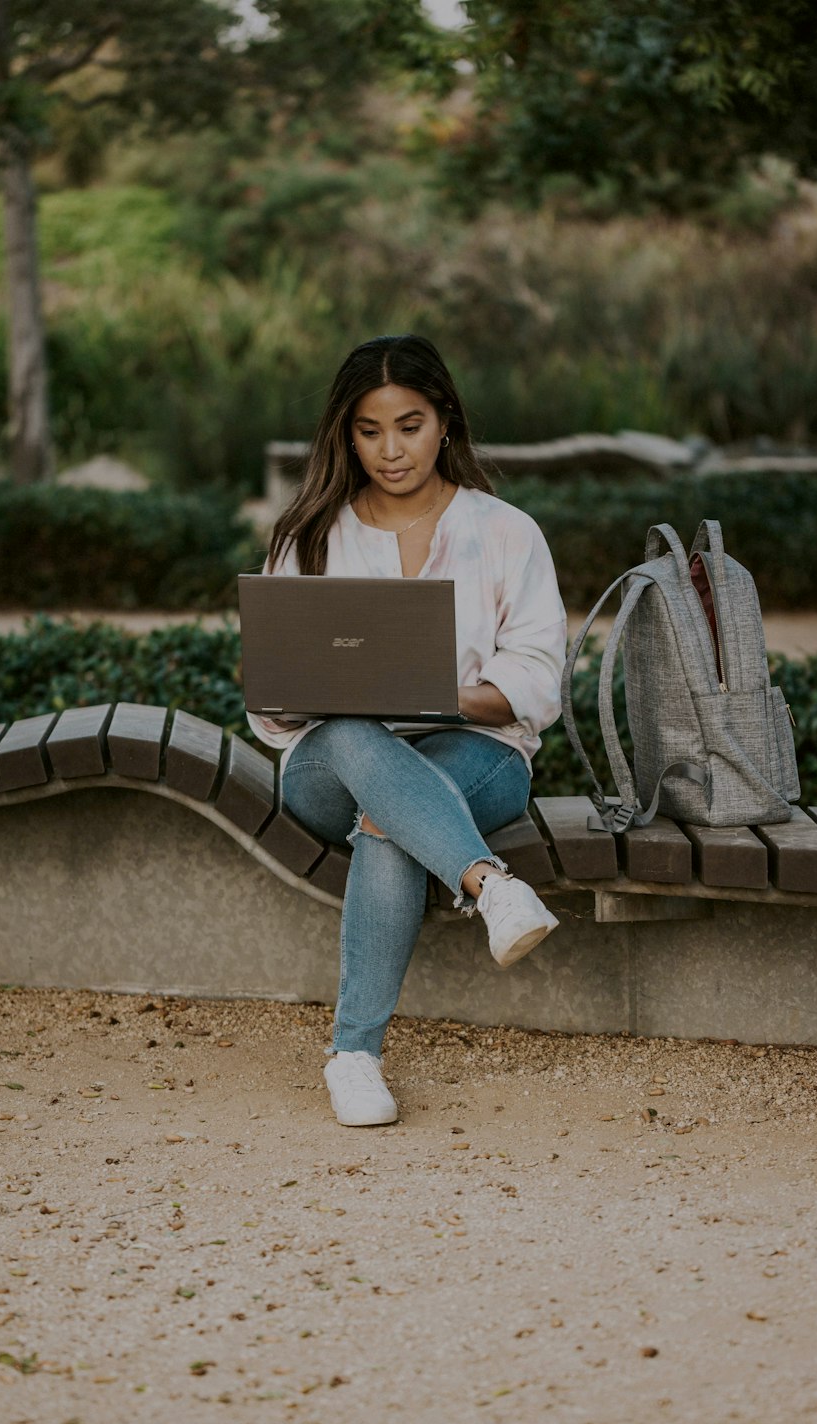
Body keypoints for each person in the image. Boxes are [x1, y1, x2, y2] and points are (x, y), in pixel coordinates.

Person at [247, 334, 567, 1127]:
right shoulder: (311, 536)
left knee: (388, 820)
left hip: (478, 755)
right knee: (359, 734)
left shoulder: (506, 532)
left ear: (446, 422)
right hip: (330, 762)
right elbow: (273, 708)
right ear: (345, 435)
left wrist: (435, 696)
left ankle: (353, 1057)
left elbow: (535, 680)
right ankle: (490, 885)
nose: (390, 449)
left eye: (410, 424)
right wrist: (319, 692)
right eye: (369, 429)